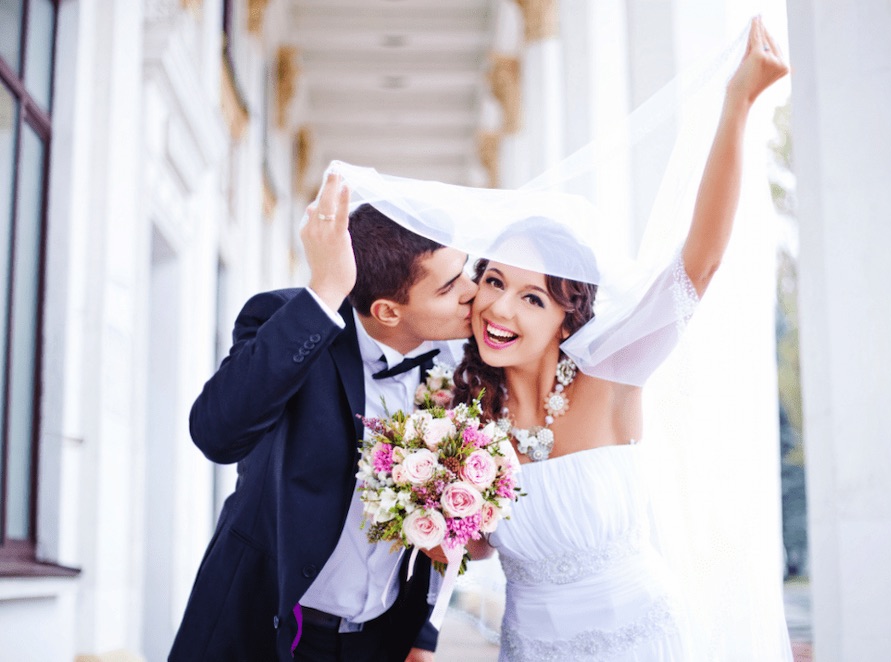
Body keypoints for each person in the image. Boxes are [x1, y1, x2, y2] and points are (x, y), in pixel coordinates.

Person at [445, 17, 790, 660]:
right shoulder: (464, 419)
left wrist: (737, 104)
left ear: (566, 317)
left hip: (639, 640)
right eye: (493, 281)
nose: (500, 307)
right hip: (532, 645)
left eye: (532, 297)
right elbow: (480, 546)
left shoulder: (610, 374)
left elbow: (700, 263)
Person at [168, 175, 477, 662]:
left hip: (381, 641)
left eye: (465, 272)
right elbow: (216, 434)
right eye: (449, 286)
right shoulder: (290, 320)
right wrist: (324, 291)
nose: (472, 291)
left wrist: (423, 635)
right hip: (264, 627)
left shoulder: (461, 366)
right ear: (388, 312)